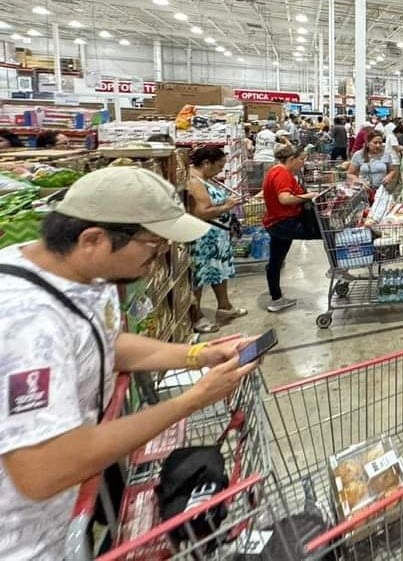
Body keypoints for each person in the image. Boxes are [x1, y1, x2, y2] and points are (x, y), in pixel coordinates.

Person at [0, 166, 258, 560]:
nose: (162, 256)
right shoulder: (25, 321)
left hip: (60, 515)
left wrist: (198, 356)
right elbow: (43, 469)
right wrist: (191, 400)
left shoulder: (84, 278)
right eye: (153, 245)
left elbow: (107, 344)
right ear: (93, 239)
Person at [184, 147, 247, 333]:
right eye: (218, 166)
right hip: (205, 238)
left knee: (219, 272)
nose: (220, 170)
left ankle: (224, 307)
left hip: (217, 237)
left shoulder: (205, 178)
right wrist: (227, 206)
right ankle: (196, 317)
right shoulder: (194, 181)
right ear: (206, 163)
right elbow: (201, 212)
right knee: (200, 276)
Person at [261, 145, 318, 313]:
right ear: (291, 159)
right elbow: (284, 199)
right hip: (284, 223)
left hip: (275, 223)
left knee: (275, 262)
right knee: (328, 236)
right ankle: (339, 269)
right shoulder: (282, 173)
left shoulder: (274, 171)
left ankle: (276, 299)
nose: (303, 163)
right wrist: (309, 196)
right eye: (301, 159)